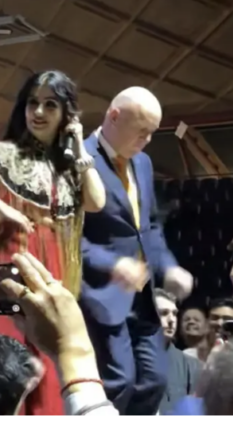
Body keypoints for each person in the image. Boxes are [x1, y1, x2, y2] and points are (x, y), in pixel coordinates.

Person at [0, 70, 106, 414]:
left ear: (66, 114)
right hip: (7, 260)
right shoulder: (4, 153)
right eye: (33, 103)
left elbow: (96, 202)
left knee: (45, 356)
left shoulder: (70, 165)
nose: (39, 112)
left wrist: (78, 144)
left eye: (50, 105)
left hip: (51, 267)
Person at [80, 86, 193, 415]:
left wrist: (169, 266)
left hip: (143, 296)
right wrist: (113, 264)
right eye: (142, 130)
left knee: (155, 380)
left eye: (152, 132)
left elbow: (149, 227)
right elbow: (67, 239)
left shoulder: (142, 162)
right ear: (114, 117)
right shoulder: (79, 159)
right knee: (118, 383)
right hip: (99, 293)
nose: (148, 139)